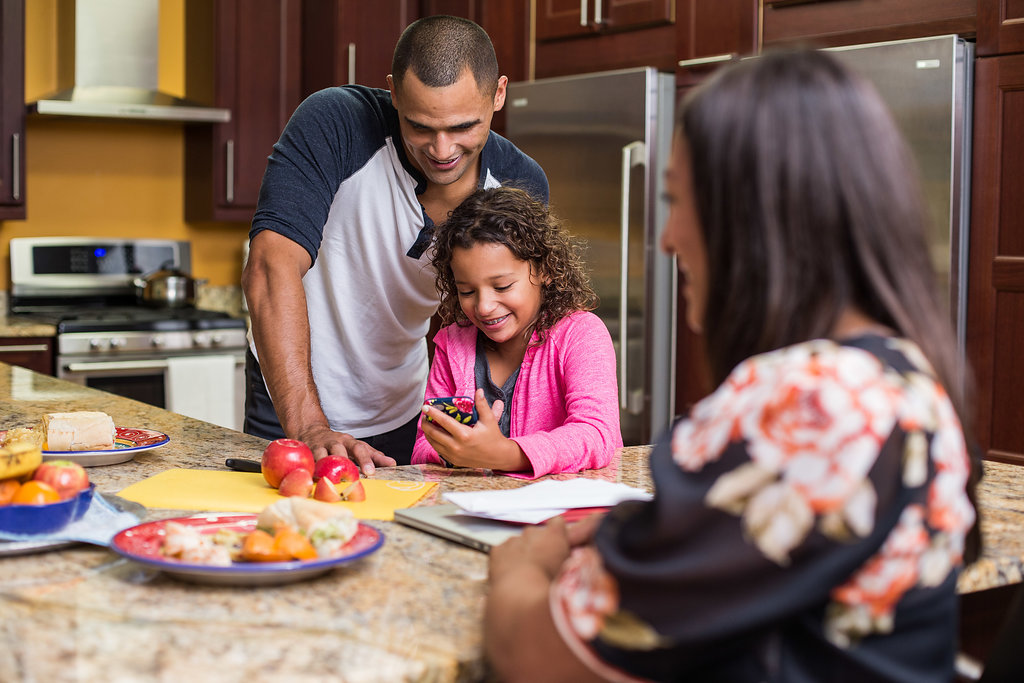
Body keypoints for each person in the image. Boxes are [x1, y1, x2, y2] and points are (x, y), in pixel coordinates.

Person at [484, 48, 982, 682]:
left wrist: (527, 560)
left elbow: (537, 657)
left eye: (676, 202)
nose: (666, 239)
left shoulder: (812, 400)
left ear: (749, 215)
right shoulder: (904, 375)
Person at [241, 16, 548, 474]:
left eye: (464, 126)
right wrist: (308, 427)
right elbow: (269, 268)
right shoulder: (335, 123)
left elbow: (502, 322)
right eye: (419, 126)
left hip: (407, 406)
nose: (442, 150)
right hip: (290, 399)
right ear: (393, 93)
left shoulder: (520, 184)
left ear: (498, 94)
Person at [412, 186, 622, 477]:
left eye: (502, 287)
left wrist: (505, 454)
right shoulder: (452, 344)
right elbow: (424, 444)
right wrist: (459, 452)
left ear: (545, 269)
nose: (484, 306)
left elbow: (597, 434)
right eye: (467, 291)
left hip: (557, 516)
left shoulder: (581, 335)